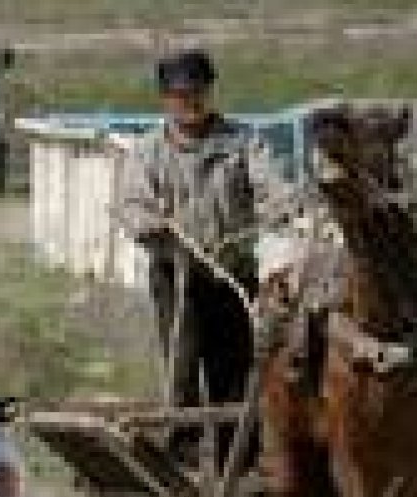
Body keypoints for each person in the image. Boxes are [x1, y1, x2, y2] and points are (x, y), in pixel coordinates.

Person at [116, 50, 288, 421]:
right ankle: (186, 445)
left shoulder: (243, 142)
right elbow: (131, 205)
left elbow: (272, 189)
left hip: (232, 272)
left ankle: (237, 454)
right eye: (180, 96)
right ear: (165, 100)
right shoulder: (147, 152)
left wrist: (281, 210)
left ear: (211, 93)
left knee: (237, 368)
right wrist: (153, 226)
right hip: (175, 275)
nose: (190, 102)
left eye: (198, 92)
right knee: (184, 363)